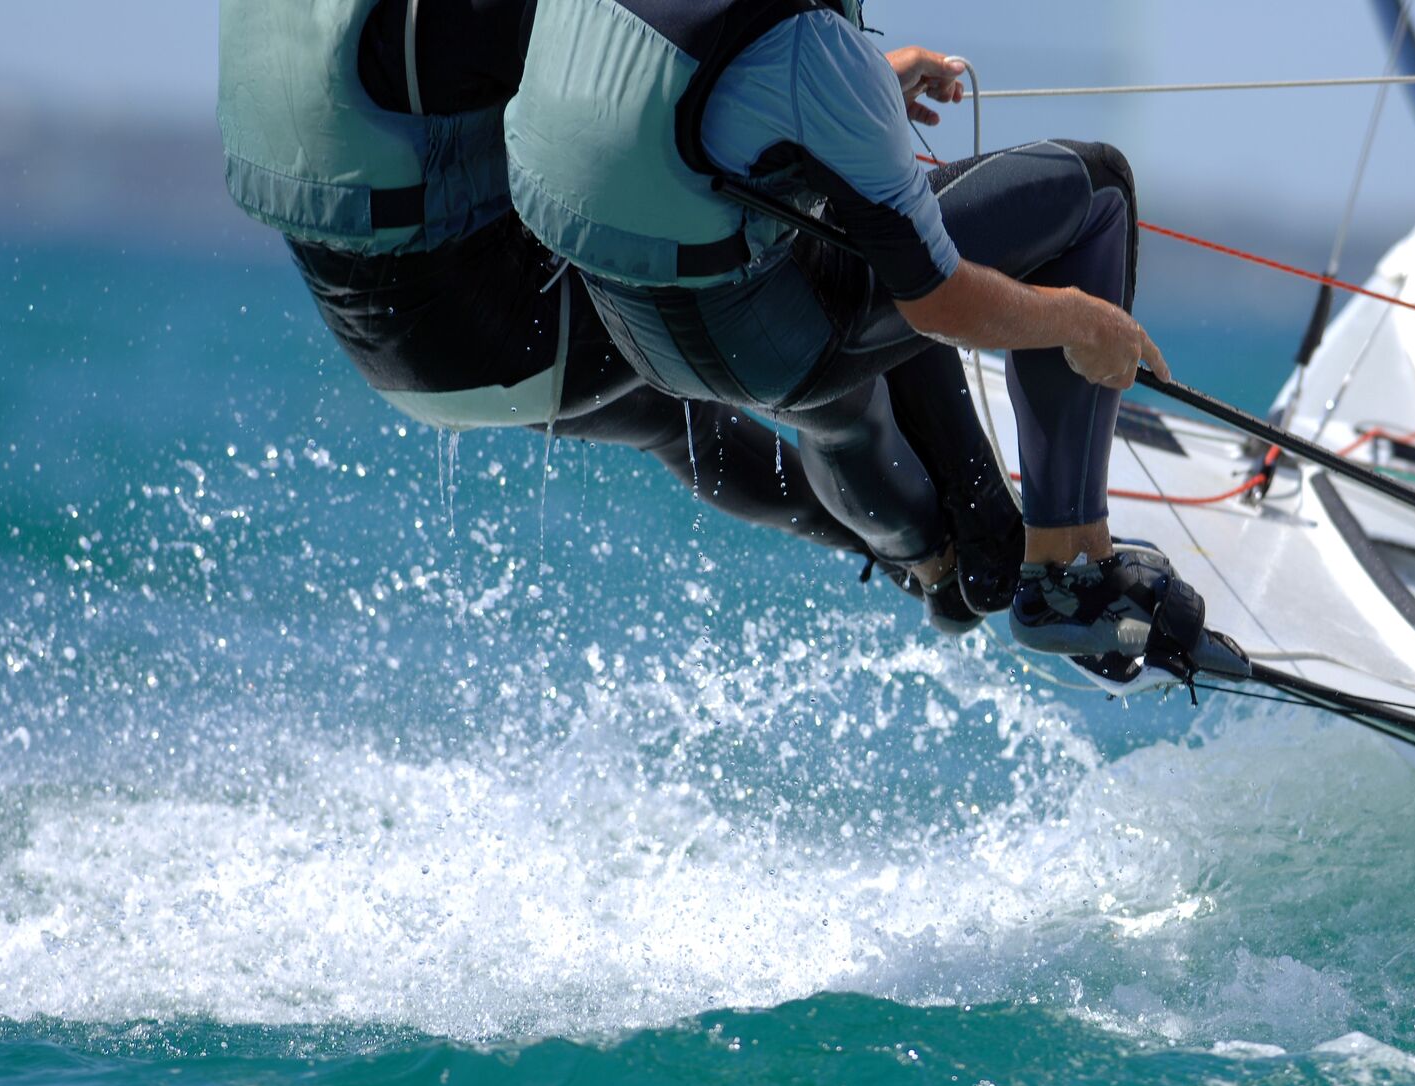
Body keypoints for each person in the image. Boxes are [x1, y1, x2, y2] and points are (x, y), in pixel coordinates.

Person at [215, 0, 1020, 631]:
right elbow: (639, 90)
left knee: (675, 424)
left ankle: (925, 563)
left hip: (394, 359)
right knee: (832, 275)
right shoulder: (453, 14)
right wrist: (845, 93)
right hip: (511, 335)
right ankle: (971, 549)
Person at [504, 0, 1246, 678]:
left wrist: (845, 92)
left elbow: (666, 120)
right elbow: (939, 301)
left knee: (853, 227)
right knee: (1095, 191)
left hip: (635, 331)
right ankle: (1069, 572)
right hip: (773, 343)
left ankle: (942, 558)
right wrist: (1085, 320)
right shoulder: (815, 53)